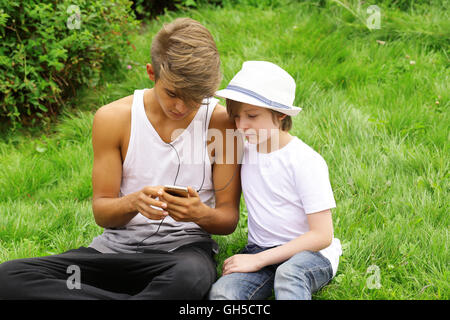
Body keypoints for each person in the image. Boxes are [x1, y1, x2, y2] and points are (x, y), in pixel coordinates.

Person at [0, 18, 241, 300]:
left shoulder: (221, 123)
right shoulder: (113, 118)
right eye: (173, 93)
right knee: (9, 277)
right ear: (151, 73)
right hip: (112, 254)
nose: (182, 106)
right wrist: (133, 202)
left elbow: (228, 219)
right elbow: (102, 212)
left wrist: (199, 213)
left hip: (181, 256)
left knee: (189, 279)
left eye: (195, 98)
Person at [208, 61, 342, 300]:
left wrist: (258, 260)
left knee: (288, 274)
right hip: (260, 250)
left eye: (252, 116)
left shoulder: (305, 161)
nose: (241, 126)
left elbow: (322, 236)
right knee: (223, 293)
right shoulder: (243, 151)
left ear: (281, 114)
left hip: (309, 253)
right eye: (236, 117)